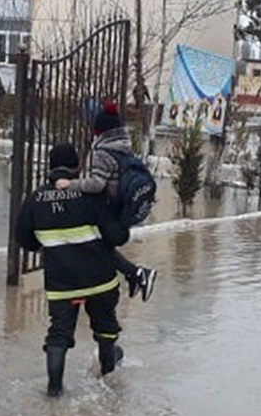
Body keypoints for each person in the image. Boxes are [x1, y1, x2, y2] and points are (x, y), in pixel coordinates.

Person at [15, 143, 130, 397]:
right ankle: (108, 376)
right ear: (78, 168)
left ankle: (54, 390)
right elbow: (114, 236)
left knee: (58, 333)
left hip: (62, 283)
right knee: (105, 326)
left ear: (49, 168)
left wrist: (50, 244)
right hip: (99, 279)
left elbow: (24, 238)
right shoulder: (91, 196)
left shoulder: (36, 199)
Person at [55, 99, 157, 302]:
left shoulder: (102, 152)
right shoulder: (122, 148)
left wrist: (70, 184)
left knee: (92, 246)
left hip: (104, 209)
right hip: (119, 208)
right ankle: (135, 275)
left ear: (100, 131)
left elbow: (97, 184)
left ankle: (135, 275)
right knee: (99, 248)